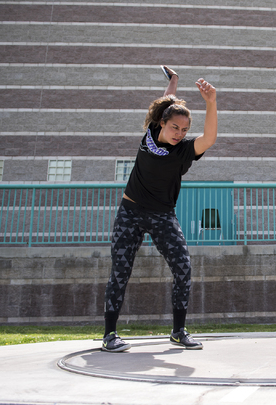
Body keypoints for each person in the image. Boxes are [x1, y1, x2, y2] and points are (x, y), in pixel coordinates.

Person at [101, 66, 217, 352]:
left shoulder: (183, 152)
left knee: (183, 267)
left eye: (185, 130)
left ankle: (178, 331)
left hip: (162, 215)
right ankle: (109, 335)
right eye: (175, 127)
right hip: (130, 213)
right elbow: (167, 103)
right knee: (120, 270)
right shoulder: (152, 130)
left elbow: (209, 138)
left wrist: (211, 102)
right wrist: (174, 82)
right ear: (162, 124)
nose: (179, 133)